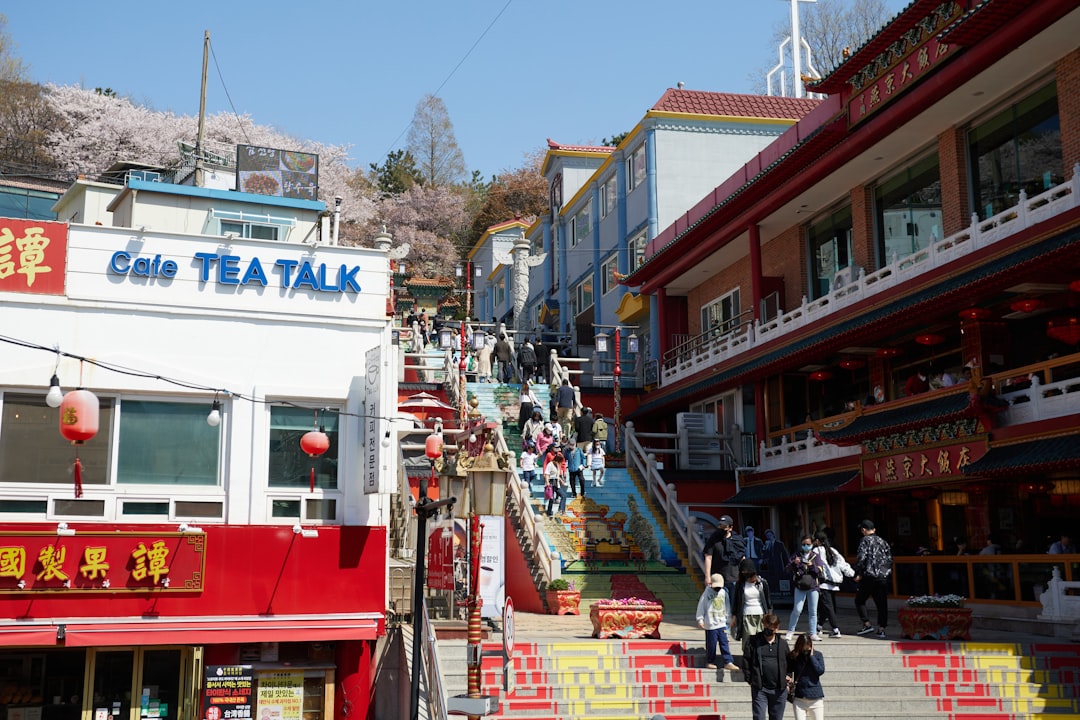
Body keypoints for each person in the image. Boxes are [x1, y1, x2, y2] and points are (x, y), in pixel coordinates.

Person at [741, 612, 791, 720]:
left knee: (777, 717)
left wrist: (788, 676)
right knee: (759, 717)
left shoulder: (782, 644)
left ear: (777, 628)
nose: (769, 630)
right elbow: (746, 661)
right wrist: (750, 679)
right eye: (767, 627)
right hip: (760, 688)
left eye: (772, 628)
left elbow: (790, 662)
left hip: (779, 689)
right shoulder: (753, 642)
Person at [853, 519, 892, 638]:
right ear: (874, 529)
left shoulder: (865, 540)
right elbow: (889, 559)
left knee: (860, 600)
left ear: (864, 530)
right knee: (882, 603)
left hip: (869, 576)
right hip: (882, 577)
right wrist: (884, 573)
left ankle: (867, 624)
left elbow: (861, 558)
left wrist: (858, 573)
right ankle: (882, 629)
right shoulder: (883, 541)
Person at [813, 530, 853, 638]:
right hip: (834, 583)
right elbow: (842, 563)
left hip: (824, 583)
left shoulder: (816, 550)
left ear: (817, 541)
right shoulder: (832, 550)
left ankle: (836, 630)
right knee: (825, 607)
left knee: (828, 607)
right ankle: (819, 627)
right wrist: (851, 573)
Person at [785, 533, 824, 641]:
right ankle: (790, 631)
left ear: (812, 544)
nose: (806, 546)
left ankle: (813, 633)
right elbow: (787, 569)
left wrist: (812, 566)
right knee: (797, 609)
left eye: (808, 544)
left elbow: (820, 570)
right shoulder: (797, 555)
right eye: (804, 544)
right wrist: (794, 563)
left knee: (813, 611)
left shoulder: (816, 556)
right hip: (800, 585)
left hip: (813, 586)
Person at [696, 574, 740, 671]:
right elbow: (701, 606)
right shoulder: (706, 593)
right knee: (711, 644)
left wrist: (729, 619)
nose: (717, 589)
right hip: (711, 624)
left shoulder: (723, 593)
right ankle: (710, 661)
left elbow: (727, 606)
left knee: (724, 643)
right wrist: (700, 619)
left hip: (722, 623)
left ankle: (728, 661)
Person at [731, 558, 773, 654]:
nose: (748, 576)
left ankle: (759, 658)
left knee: (761, 640)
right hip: (747, 615)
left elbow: (768, 601)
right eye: (744, 573)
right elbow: (736, 601)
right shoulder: (740, 585)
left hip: (761, 615)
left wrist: (769, 616)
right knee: (747, 641)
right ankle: (748, 659)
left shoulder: (762, 583)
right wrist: (734, 616)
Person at [704, 515, 746, 600]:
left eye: (724, 526)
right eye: (720, 525)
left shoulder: (737, 540)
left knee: (734, 603)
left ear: (730, 528)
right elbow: (708, 557)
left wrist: (744, 574)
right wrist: (707, 576)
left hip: (734, 578)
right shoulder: (713, 539)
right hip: (717, 579)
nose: (721, 528)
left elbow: (742, 558)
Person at [787, 634, 825, 720]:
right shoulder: (794, 656)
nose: (806, 650)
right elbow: (789, 671)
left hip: (815, 697)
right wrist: (788, 680)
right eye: (804, 648)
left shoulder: (818, 655)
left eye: (808, 648)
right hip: (799, 697)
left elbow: (820, 671)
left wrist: (812, 657)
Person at [544, 451, 568, 517]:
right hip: (551, 482)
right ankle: (549, 512)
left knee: (563, 495)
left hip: (556, 483)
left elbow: (557, 475)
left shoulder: (557, 465)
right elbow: (547, 474)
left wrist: (561, 481)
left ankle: (561, 510)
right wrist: (547, 482)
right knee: (551, 499)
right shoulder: (550, 464)